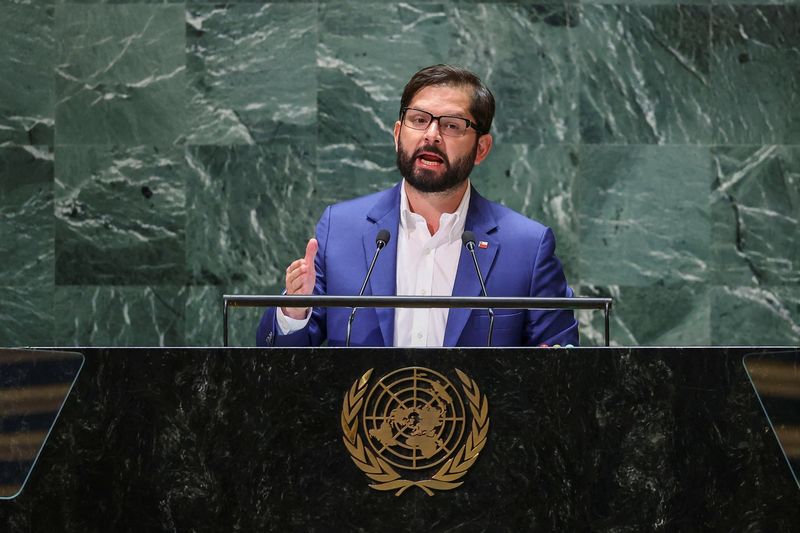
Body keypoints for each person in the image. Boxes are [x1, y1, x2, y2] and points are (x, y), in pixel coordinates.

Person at [257, 64, 578, 347]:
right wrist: (295, 309)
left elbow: (561, 372)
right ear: (398, 135)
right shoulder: (341, 229)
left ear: (481, 148)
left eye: (452, 125)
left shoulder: (527, 246)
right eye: (419, 120)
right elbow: (281, 362)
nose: (432, 135)